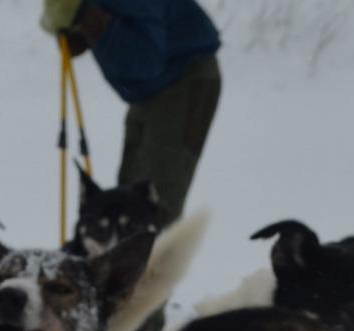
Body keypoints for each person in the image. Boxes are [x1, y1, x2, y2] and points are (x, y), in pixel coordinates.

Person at [44, 0, 221, 228]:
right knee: (128, 198)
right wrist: (80, 27)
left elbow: (145, 60)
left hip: (182, 78)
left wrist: (93, 22)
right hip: (150, 90)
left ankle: (152, 261)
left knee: (152, 206)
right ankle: (128, 259)